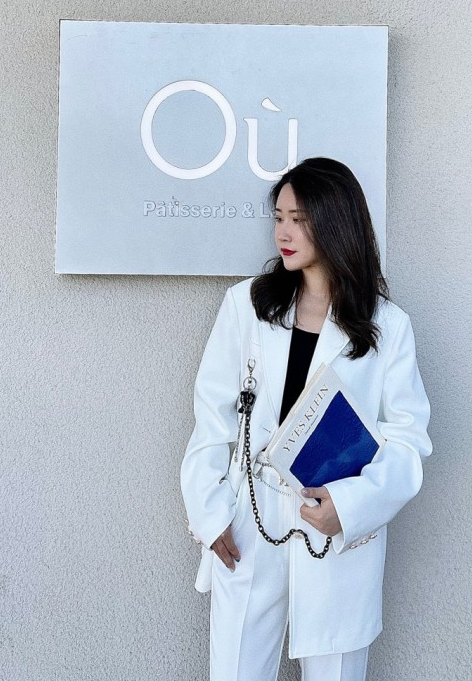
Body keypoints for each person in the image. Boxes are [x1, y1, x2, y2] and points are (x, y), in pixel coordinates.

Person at [180, 157, 432, 681]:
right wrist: (210, 512)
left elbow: (408, 440)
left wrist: (352, 506)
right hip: (251, 517)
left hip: (332, 523)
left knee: (335, 670)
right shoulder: (248, 305)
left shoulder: (387, 326)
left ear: (336, 222)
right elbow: (212, 414)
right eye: (279, 218)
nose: (283, 232)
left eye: (299, 219)